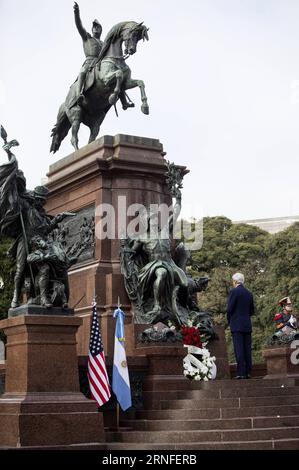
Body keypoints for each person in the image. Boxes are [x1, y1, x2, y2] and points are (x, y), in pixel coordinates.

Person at [73, 2, 103, 103]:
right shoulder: (87, 38)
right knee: (82, 72)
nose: (96, 28)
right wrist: (76, 13)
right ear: (92, 29)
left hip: (100, 64)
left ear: (100, 30)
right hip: (89, 62)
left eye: (98, 27)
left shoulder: (103, 43)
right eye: (94, 27)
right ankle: (78, 94)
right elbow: (79, 26)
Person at [227, 272, 254, 379]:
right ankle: (248, 372)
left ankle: (241, 373)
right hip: (247, 324)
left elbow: (229, 309)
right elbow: (252, 311)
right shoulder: (249, 293)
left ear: (234, 281)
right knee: (247, 349)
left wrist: (230, 320)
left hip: (236, 324)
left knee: (239, 350)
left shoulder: (234, 292)